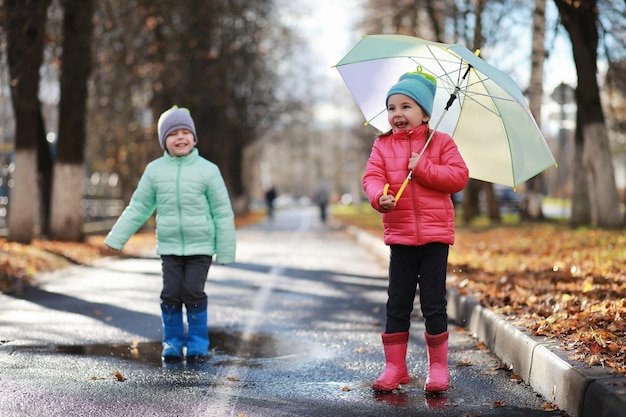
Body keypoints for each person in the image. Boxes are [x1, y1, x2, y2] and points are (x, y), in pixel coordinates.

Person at [362, 68, 469, 393]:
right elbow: (372, 177)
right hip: (401, 236)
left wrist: (422, 168)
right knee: (398, 303)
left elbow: (458, 177)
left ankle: (438, 368)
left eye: (406, 107)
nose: (397, 114)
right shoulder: (382, 146)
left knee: (434, 303)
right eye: (392, 107)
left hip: (435, 238)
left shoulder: (441, 142)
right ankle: (395, 366)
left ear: (424, 113)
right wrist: (380, 197)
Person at [104, 105, 236, 363]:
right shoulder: (155, 170)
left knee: (193, 292)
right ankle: (173, 342)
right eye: (174, 133)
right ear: (164, 140)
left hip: (201, 247)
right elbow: (139, 207)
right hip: (169, 247)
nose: (181, 137)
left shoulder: (208, 170)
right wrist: (116, 237)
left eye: (186, 132)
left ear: (194, 138)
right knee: (171, 293)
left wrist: (226, 248)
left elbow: (222, 211)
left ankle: (198, 343)